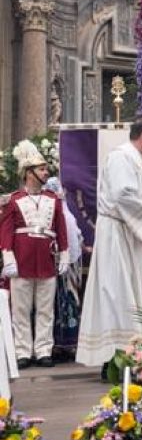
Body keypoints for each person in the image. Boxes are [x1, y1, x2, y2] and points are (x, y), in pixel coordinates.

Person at [76, 117, 142, 370]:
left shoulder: (136, 160)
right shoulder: (122, 157)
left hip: (128, 234)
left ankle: (129, 354)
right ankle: (116, 356)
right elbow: (124, 194)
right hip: (117, 236)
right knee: (117, 292)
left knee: (130, 291)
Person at [0, 141, 69, 369]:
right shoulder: (14, 200)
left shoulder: (53, 199)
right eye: (41, 169)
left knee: (45, 309)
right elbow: (6, 232)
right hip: (22, 260)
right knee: (20, 310)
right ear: (28, 173)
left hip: (47, 260)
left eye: (45, 168)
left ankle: (43, 350)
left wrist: (65, 254)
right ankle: (22, 352)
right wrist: (8, 259)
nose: (46, 172)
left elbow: (61, 229)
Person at [43, 176, 83, 361]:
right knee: (59, 304)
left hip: (65, 265)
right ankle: (60, 344)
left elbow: (76, 238)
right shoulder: (58, 212)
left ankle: (64, 344)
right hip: (56, 265)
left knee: (64, 304)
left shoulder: (64, 213)